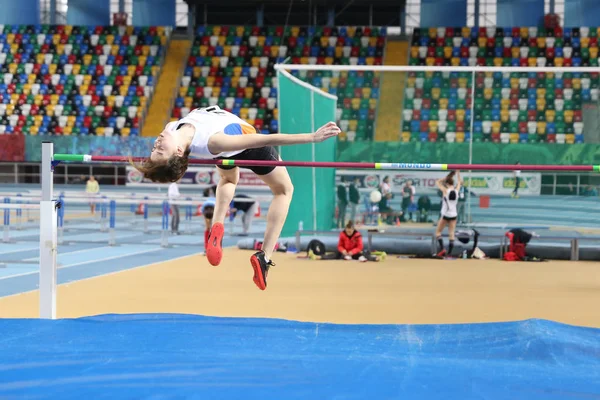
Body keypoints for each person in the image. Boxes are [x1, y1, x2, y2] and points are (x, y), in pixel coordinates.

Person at [131, 106, 340, 290]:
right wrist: (311, 137)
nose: (156, 143)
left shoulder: (171, 127)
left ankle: (217, 226)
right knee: (284, 190)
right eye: (160, 149)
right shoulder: (214, 141)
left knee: (229, 180)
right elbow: (265, 139)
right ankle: (264, 256)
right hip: (248, 149)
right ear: (178, 151)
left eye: (155, 148)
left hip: (224, 153)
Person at [308, 221, 381, 262]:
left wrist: (352, 251)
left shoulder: (358, 235)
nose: (348, 233)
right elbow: (339, 245)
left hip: (354, 252)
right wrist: (343, 250)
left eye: (350, 231)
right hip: (345, 252)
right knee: (335, 255)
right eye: (347, 231)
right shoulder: (342, 234)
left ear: (353, 230)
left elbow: (360, 247)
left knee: (363, 254)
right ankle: (320, 257)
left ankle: (374, 258)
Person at [434, 170, 461, 258]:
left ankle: (442, 249)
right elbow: (460, 182)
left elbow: (437, 182)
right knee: (451, 234)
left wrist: (446, 178)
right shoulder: (457, 191)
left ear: (446, 183)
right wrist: (458, 174)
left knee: (438, 232)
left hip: (446, 215)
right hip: (454, 215)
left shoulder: (445, 191)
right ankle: (449, 253)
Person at [201, 186, 216, 253]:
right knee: (207, 228)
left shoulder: (216, 208)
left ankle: (214, 246)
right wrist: (208, 225)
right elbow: (207, 225)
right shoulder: (203, 209)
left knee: (214, 228)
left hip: (215, 209)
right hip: (208, 209)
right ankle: (206, 248)